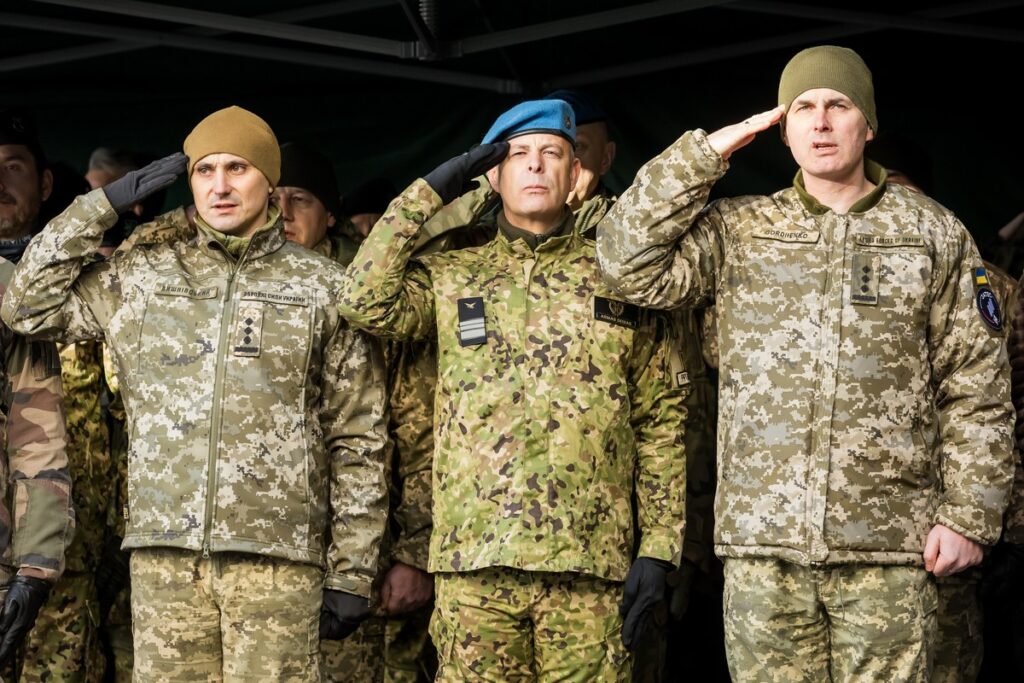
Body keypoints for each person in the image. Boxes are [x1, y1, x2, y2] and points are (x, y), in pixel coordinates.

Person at [597, 45, 1015, 682]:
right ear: (783, 128)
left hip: (891, 549)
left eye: (838, 106)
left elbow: (976, 385)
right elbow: (624, 264)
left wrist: (969, 517)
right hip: (765, 549)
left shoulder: (933, 233)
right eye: (804, 109)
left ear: (867, 125)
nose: (821, 122)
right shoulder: (740, 229)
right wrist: (704, 155)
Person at [0, 105, 389, 681]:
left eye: (238, 168)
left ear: (271, 184)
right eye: (205, 170)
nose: (221, 185)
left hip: (278, 561)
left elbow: (359, 435)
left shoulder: (324, 287)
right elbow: (26, 305)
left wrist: (354, 570)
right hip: (165, 559)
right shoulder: (144, 275)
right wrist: (100, 206)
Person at [339, 99, 687, 681]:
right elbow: (363, 300)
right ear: (492, 176)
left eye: (551, 153)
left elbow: (661, 417)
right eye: (517, 155)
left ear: (575, 171)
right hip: (475, 563)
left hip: (589, 566)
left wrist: (659, 545)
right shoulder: (454, 274)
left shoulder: (618, 276)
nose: (534, 166)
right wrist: (432, 191)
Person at [274, 142, 437, 682]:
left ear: (330, 213)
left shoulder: (370, 300)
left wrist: (413, 551)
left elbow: (416, 429)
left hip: (365, 562)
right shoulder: (239, 293)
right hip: (269, 561)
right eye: (272, 197)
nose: (282, 213)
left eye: (299, 198)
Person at [0, 107, 74, 674]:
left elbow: (37, 432)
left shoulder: (85, 285)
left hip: (45, 552)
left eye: (12, 167)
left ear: (44, 183)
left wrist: (36, 564)